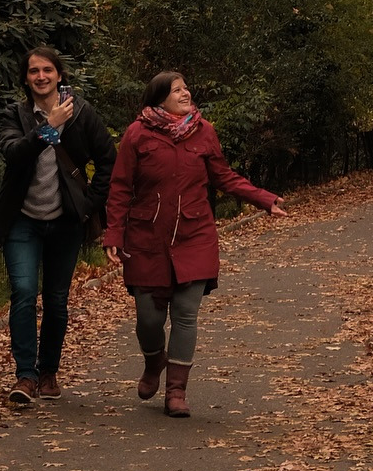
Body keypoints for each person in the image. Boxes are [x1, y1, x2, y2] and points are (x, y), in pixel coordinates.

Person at [102, 71, 288, 417]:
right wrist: (114, 233)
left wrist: (263, 199)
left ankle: (176, 392)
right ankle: (154, 360)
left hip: (194, 235)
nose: (186, 93)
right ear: (159, 98)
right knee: (148, 319)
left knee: (186, 314)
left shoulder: (203, 131)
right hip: (147, 239)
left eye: (186, 87)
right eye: (177, 90)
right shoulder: (137, 134)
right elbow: (120, 187)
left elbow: (223, 177)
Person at [0, 46, 117, 406]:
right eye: (34, 71)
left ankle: (48, 372)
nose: (41, 76)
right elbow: (14, 154)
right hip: (23, 221)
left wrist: (90, 202)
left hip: (66, 221)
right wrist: (49, 127)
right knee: (25, 293)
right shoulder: (14, 115)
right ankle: (25, 377)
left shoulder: (82, 114)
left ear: (60, 75)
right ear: (26, 78)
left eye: (48, 70)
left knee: (57, 298)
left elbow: (109, 159)